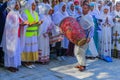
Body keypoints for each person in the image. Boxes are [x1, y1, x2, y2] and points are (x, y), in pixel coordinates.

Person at [2, 0, 27, 72]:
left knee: (16, 51)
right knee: (11, 51)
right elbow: (9, 26)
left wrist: (25, 24)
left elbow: (20, 22)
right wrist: (20, 24)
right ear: (12, 5)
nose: (18, 6)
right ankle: (9, 65)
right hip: (11, 37)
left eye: (18, 4)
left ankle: (14, 64)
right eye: (16, 5)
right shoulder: (10, 14)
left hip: (17, 35)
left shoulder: (17, 13)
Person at [21, 0, 42, 68]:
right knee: (27, 48)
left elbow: (37, 21)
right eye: (33, 5)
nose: (34, 6)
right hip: (27, 35)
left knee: (33, 48)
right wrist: (30, 24)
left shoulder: (35, 13)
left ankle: (30, 61)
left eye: (35, 5)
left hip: (34, 34)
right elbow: (23, 23)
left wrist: (39, 23)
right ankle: (26, 62)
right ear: (29, 5)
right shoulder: (25, 13)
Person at [74, 4, 94, 71]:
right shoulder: (80, 17)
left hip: (85, 37)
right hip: (78, 36)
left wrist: (89, 37)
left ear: (88, 10)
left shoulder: (89, 17)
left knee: (82, 51)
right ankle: (80, 63)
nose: (83, 9)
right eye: (83, 8)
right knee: (76, 51)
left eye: (85, 8)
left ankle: (83, 65)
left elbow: (92, 28)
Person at [0, 0, 8, 65]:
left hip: (4, 28)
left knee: (2, 44)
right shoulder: (3, 6)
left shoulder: (4, 6)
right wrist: (7, 2)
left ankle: (2, 57)